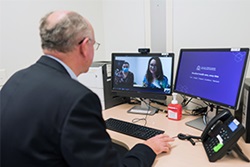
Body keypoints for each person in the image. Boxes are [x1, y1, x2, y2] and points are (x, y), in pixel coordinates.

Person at [0, 10, 174, 167]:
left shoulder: (17, 79)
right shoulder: (79, 99)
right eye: (94, 44)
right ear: (84, 46)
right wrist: (147, 148)